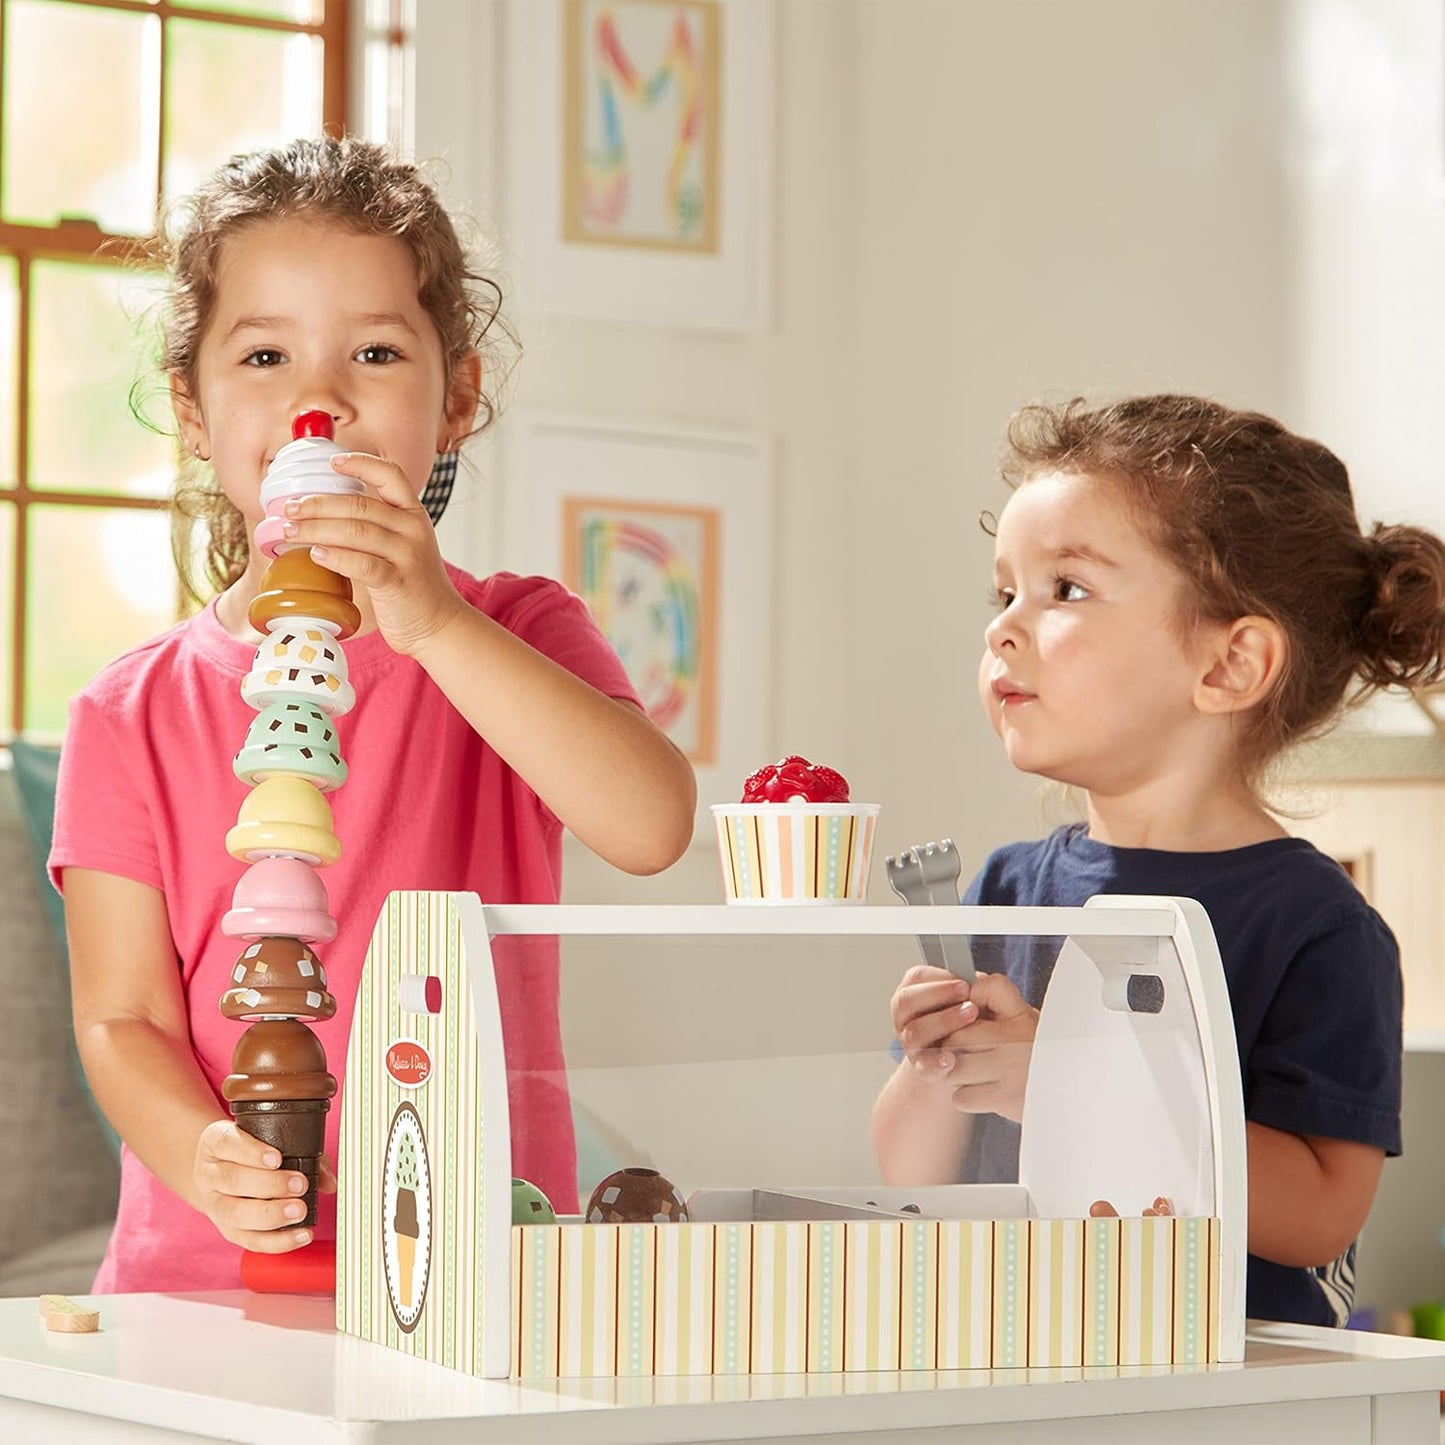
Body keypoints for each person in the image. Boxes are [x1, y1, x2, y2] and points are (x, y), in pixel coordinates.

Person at [48, 137, 697, 1294]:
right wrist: (202, 1160)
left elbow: (649, 825)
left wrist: (433, 621)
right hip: (204, 1283)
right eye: (264, 354)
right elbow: (124, 1016)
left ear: (455, 399)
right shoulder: (128, 710)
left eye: (376, 351)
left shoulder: (514, 630)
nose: (319, 398)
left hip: (468, 1267)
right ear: (194, 410)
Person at [871, 394, 1445, 1327]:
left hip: (1224, 1383)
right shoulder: (1002, 891)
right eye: (1003, 591)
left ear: (1227, 667)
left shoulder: (1317, 925)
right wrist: (937, 1063)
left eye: (1066, 589)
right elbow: (907, 1170)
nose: (1003, 628)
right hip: (1004, 1346)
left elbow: (1315, 1216)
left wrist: (1063, 1080)